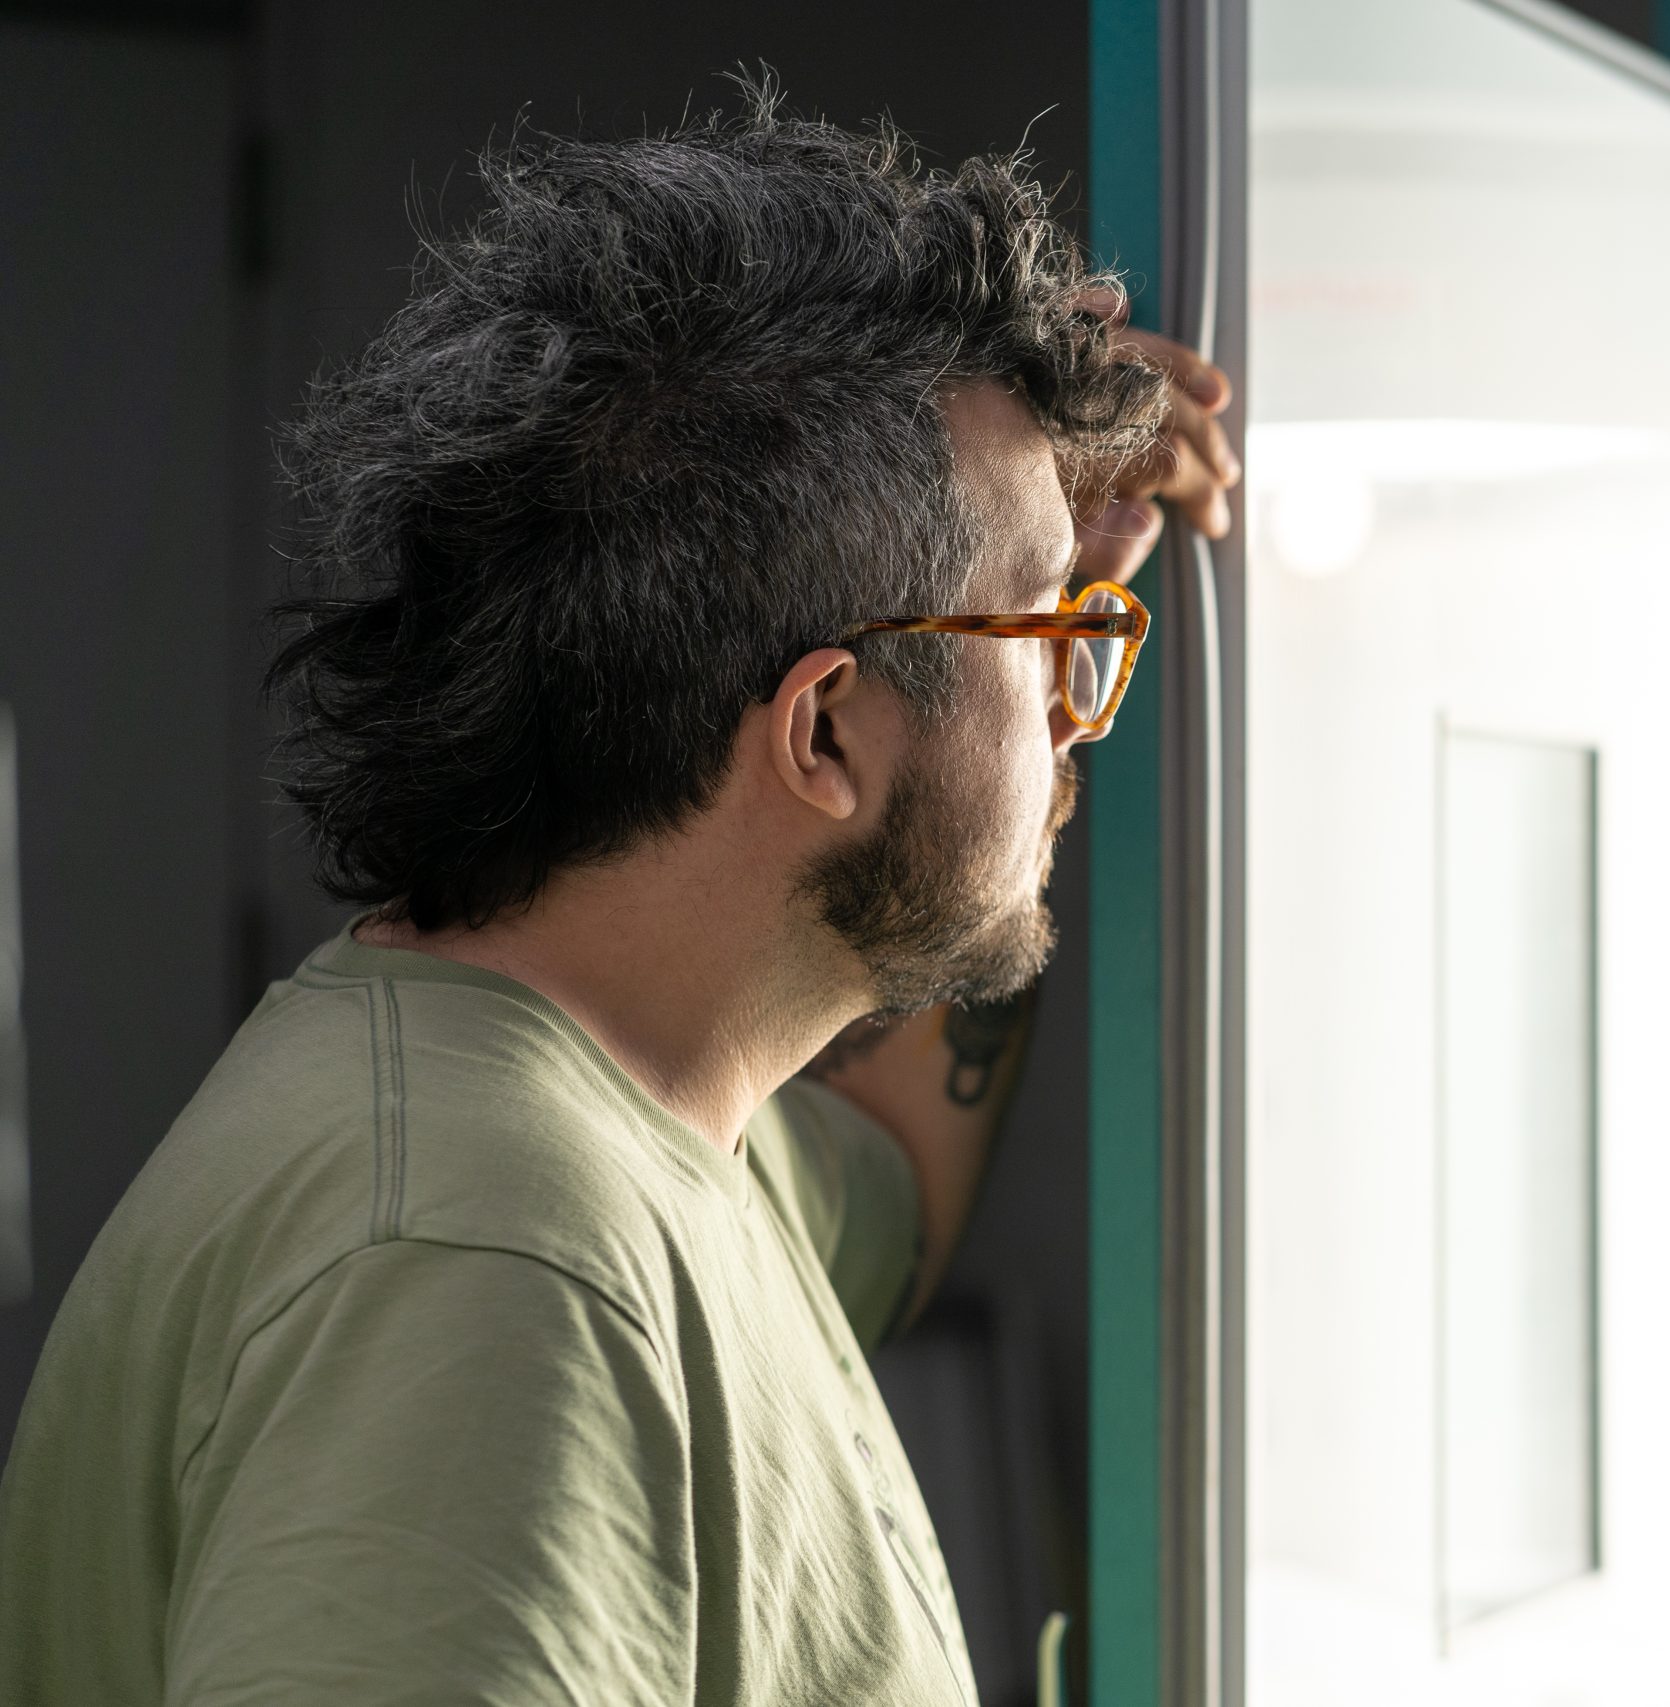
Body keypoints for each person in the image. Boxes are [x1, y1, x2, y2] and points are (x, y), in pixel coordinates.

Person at [0, 80, 1237, 1706]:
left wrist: (1036, 607)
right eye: (1046, 636)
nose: (1082, 691)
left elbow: (893, 1185)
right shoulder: (484, 1265)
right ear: (825, 730)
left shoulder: (625, 1110)